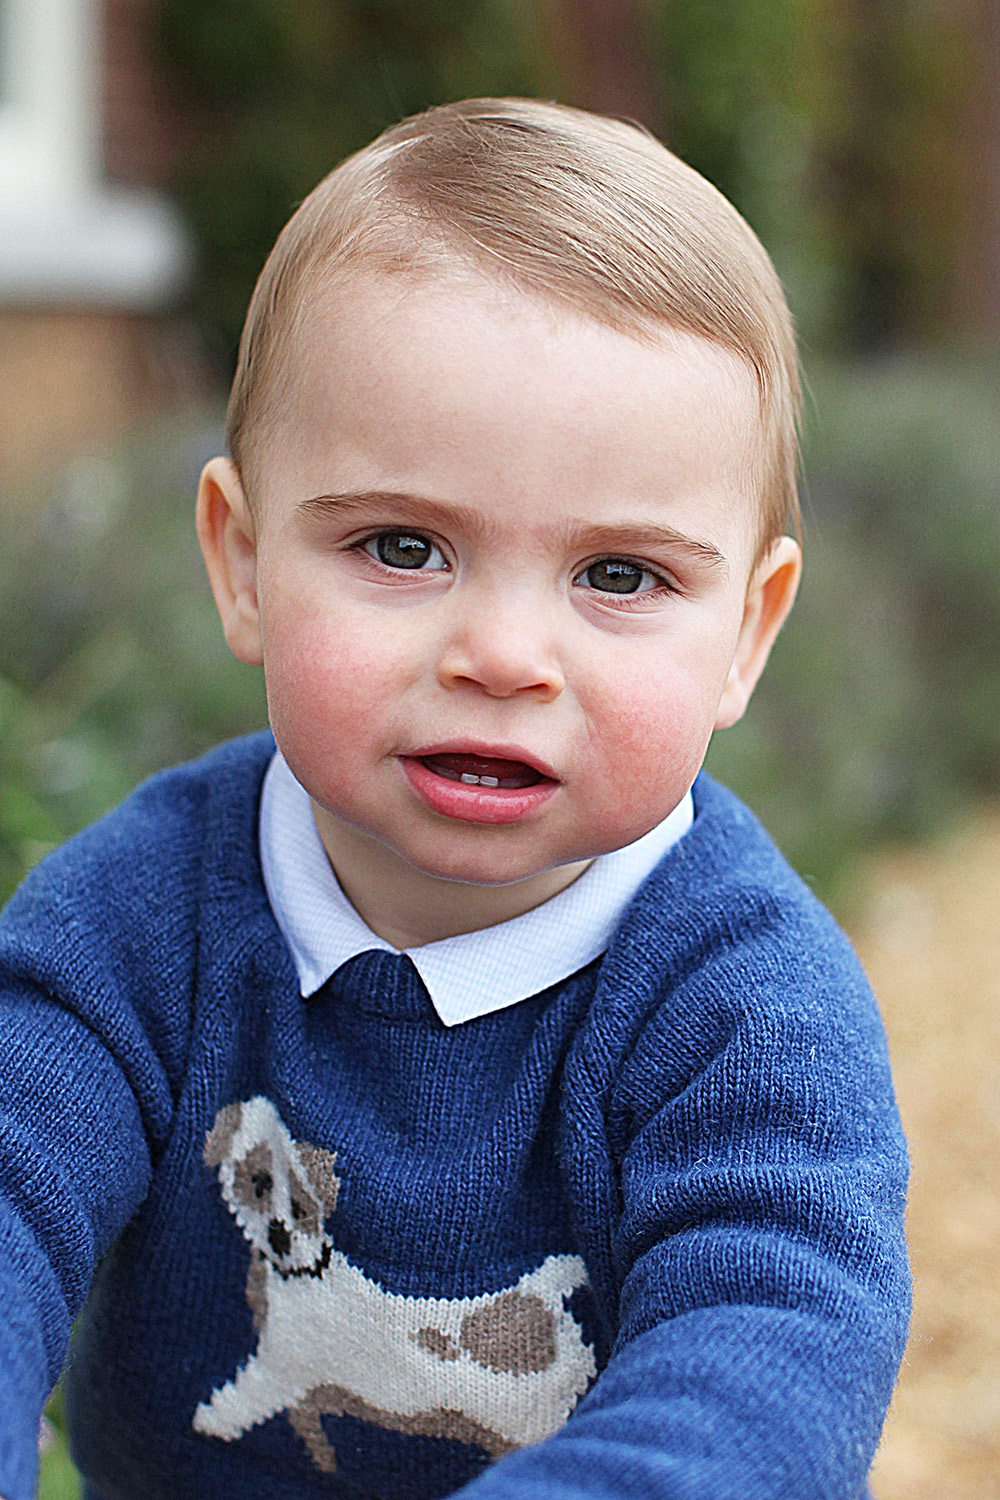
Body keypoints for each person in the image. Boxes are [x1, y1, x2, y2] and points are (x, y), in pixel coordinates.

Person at [0, 98, 909, 1500]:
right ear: (242, 564)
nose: (500, 657)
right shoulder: (139, 923)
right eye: (404, 545)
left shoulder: (747, 1009)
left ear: (747, 631)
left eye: (621, 576)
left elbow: (769, 1370)